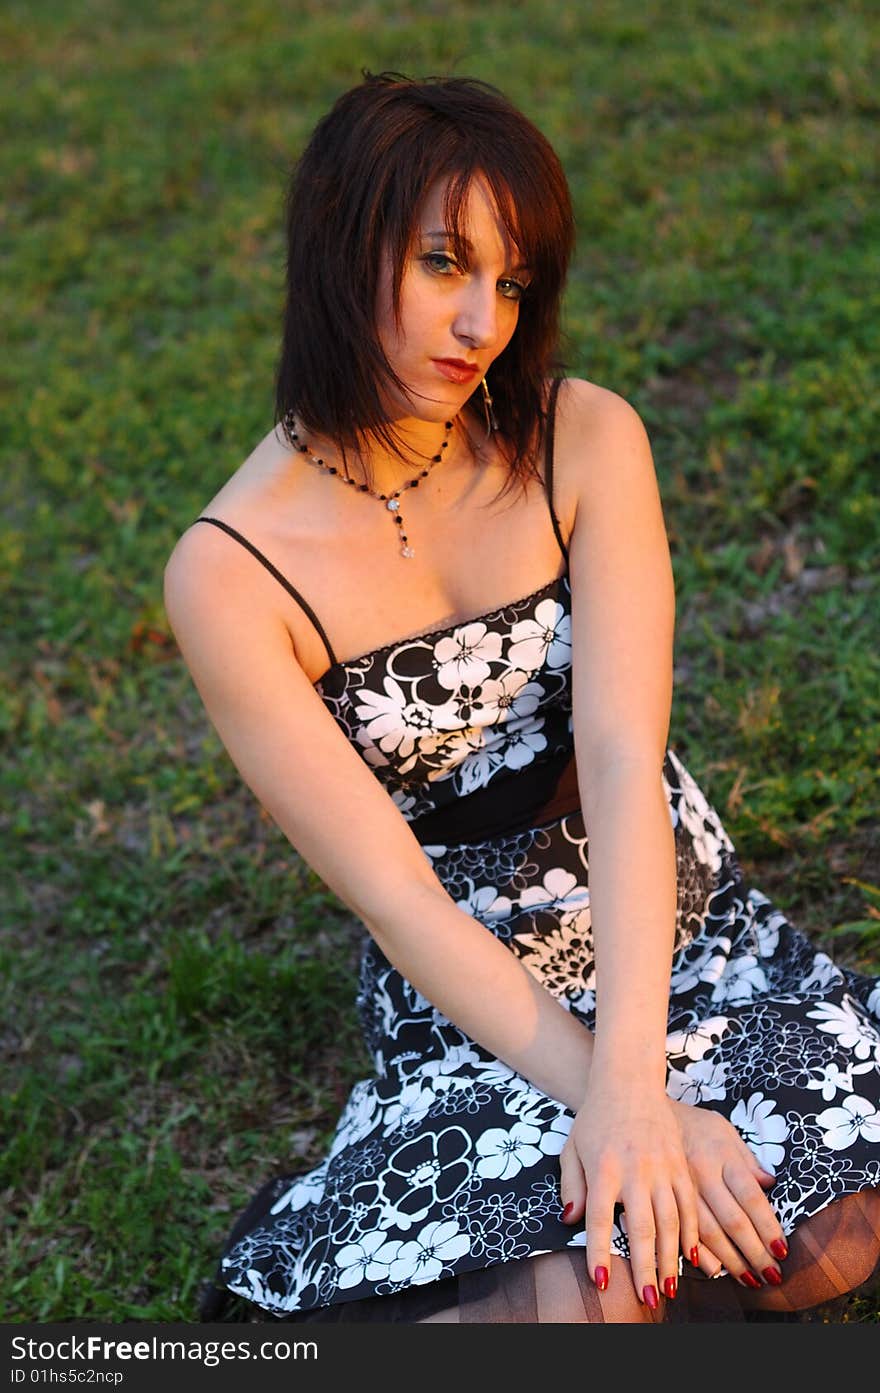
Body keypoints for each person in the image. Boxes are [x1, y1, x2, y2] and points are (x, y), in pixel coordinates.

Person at [163, 71, 880, 1324]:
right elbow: (394, 896)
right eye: (445, 263)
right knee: (593, 1283)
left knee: (817, 1238)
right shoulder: (229, 575)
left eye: (511, 281)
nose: (482, 320)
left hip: (664, 915)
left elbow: (620, 753)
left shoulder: (586, 438)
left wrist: (641, 1073)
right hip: (469, 978)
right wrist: (615, 1101)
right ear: (341, 250)